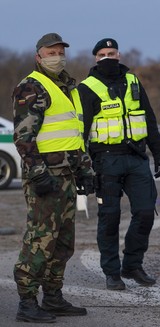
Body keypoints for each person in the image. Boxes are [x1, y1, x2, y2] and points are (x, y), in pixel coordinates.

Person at [12, 32, 94, 323]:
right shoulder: (31, 87)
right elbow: (23, 138)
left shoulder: (68, 88)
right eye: (50, 53)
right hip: (45, 177)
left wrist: (86, 169)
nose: (57, 57)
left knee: (63, 241)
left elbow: (74, 137)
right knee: (40, 239)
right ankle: (26, 301)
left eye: (60, 52)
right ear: (38, 57)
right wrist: (37, 174)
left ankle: (53, 296)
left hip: (68, 175)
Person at [75, 38, 160, 291]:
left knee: (146, 212)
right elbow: (80, 132)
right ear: (95, 58)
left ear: (119, 54)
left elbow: (149, 119)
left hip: (137, 157)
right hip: (105, 160)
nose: (107, 57)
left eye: (111, 52)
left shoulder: (133, 81)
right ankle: (112, 272)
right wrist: (83, 168)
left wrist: (159, 154)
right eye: (102, 53)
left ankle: (132, 265)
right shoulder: (87, 88)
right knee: (110, 218)